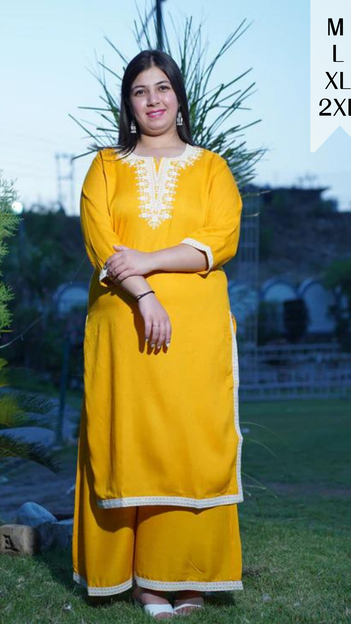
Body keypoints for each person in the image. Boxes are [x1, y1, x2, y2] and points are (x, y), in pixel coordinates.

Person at [72, 49, 244, 619]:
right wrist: (144, 294)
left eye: (162, 88)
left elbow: (220, 239)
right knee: (132, 444)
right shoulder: (105, 166)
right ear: (129, 103)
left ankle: (187, 574)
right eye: (140, 90)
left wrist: (146, 259)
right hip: (124, 328)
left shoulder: (212, 168)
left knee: (189, 446)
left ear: (178, 97)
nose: (153, 100)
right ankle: (143, 582)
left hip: (196, 334)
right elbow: (101, 242)